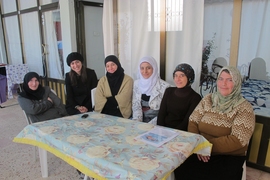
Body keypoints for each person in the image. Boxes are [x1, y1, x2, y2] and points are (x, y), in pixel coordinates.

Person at [175, 66, 255, 180]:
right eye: (221, 79)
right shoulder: (208, 99)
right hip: (200, 149)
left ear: (236, 83)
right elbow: (193, 121)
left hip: (227, 155)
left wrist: (206, 147)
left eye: (229, 80)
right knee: (180, 168)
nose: (224, 83)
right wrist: (198, 146)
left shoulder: (244, 108)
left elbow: (238, 140)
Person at [157, 63, 201, 131]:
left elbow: (187, 122)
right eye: (176, 75)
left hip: (181, 132)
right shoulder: (169, 91)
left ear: (189, 77)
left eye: (182, 76)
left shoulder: (195, 98)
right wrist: (160, 130)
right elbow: (161, 115)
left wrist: (173, 133)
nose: (178, 79)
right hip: (163, 130)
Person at [132, 56, 171, 123]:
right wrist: (137, 122)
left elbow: (166, 111)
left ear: (154, 68)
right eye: (142, 68)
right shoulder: (136, 84)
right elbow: (136, 105)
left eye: (148, 68)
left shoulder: (165, 87)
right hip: (139, 121)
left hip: (158, 122)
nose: (145, 71)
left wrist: (149, 126)